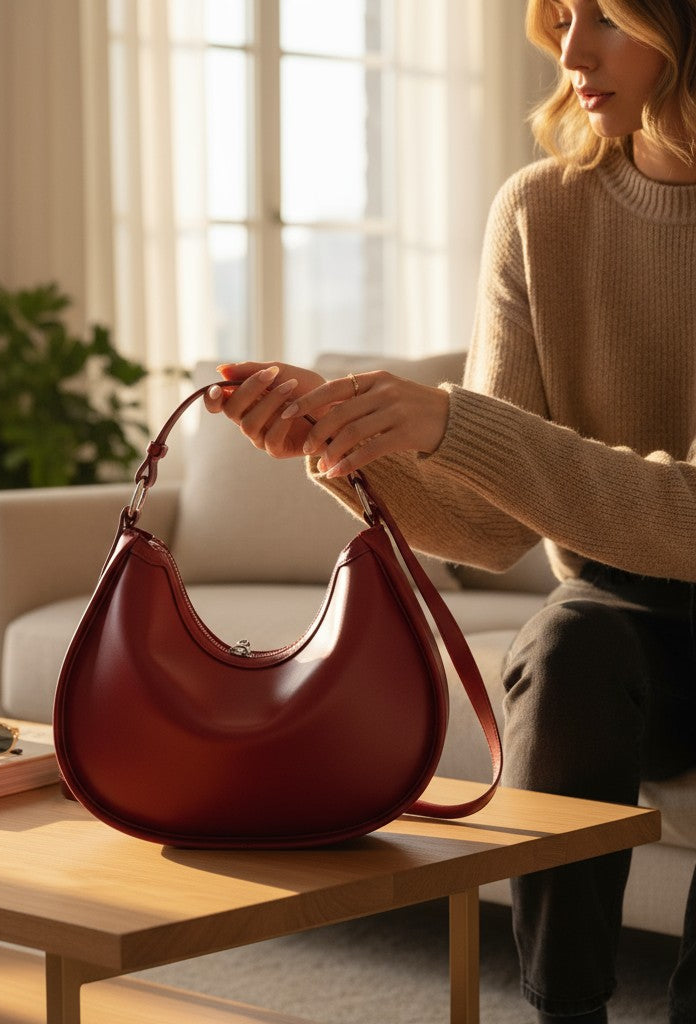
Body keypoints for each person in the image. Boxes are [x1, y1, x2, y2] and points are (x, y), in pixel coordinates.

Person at [204, 1, 696, 1021]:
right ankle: (563, 1011)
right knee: (567, 648)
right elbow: (491, 529)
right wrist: (340, 447)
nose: (572, 51)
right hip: (619, 619)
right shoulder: (538, 213)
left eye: (608, 15)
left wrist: (452, 420)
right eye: (562, 15)